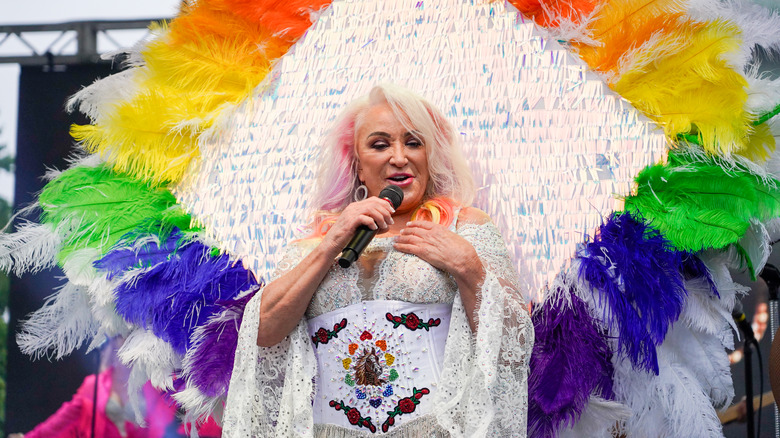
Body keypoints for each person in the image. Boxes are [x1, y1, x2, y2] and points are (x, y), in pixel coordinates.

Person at [222, 84, 533, 437]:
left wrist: (469, 267)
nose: (399, 157)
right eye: (380, 144)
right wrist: (331, 245)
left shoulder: (465, 226)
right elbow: (262, 333)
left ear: (430, 155)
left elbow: (513, 344)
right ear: (357, 164)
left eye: (413, 142)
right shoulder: (315, 245)